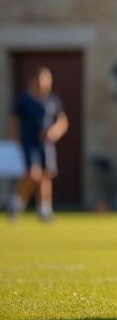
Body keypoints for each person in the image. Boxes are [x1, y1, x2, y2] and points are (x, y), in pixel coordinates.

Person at [7, 67, 67, 223]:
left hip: (46, 145)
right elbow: (14, 122)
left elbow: (62, 121)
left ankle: (44, 210)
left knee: (46, 176)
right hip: (29, 143)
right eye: (42, 80)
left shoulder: (52, 100)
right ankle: (17, 204)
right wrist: (16, 140)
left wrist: (54, 132)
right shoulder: (24, 101)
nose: (45, 84)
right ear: (34, 81)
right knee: (33, 174)